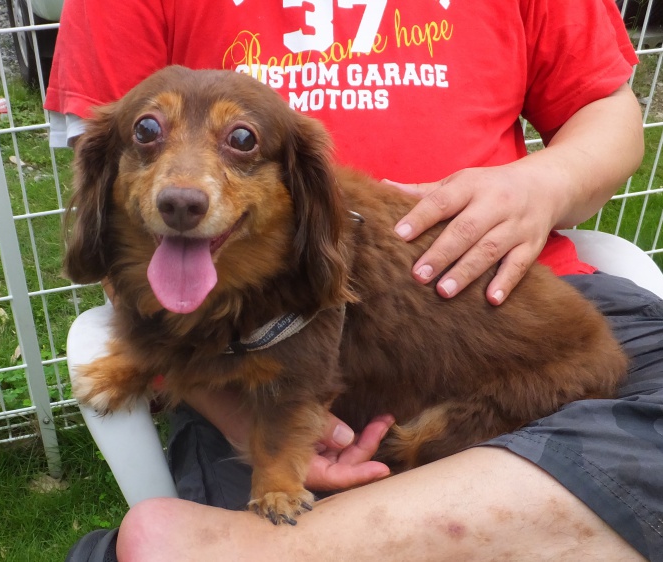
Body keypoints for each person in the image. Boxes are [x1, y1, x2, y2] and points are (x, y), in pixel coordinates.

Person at [46, 1, 663, 560]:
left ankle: (247, 549)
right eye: (150, 133)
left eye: (240, 140)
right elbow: (118, 227)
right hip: (245, 355)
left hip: (527, 308)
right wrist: (244, 418)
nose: (183, 189)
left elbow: (606, 109)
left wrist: (543, 184)